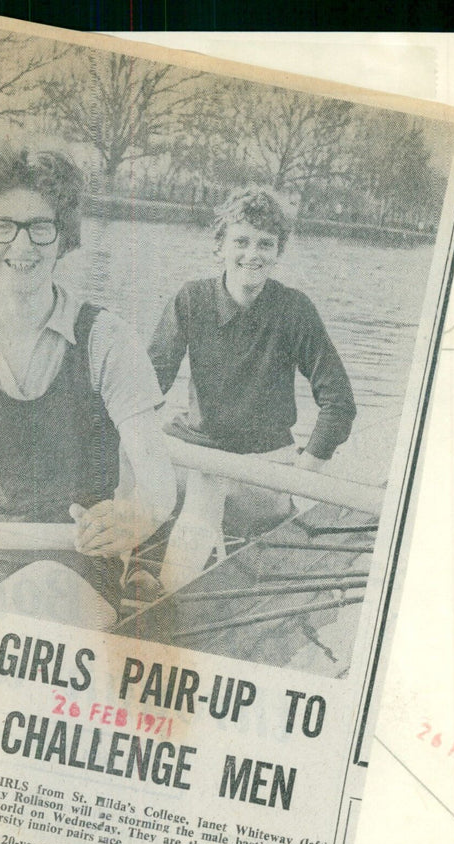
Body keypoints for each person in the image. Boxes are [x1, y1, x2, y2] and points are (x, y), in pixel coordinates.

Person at [0, 137, 176, 628]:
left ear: (64, 238)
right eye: (3, 226)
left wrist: (139, 518)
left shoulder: (107, 339)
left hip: (73, 555)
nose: (21, 246)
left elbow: (159, 483)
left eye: (40, 227)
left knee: (28, 602)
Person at [147, 185, 356, 592]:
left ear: (278, 252)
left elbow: (339, 404)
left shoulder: (294, 310)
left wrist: (303, 474)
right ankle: (118, 567)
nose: (252, 254)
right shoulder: (191, 299)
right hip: (196, 448)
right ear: (219, 246)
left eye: (265, 244)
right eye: (240, 241)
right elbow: (148, 384)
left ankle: (169, 600)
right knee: (121, 456)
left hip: (264, 464)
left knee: (208, 483)